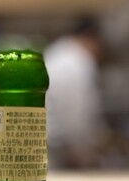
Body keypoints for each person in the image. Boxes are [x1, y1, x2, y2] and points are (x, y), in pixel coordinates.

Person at [44, 17, 107, 169]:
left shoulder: (55, 53)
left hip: (44, 146)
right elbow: (76, 117)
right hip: (58, 151)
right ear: (92, 37)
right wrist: (85, 156)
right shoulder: (78, 62)